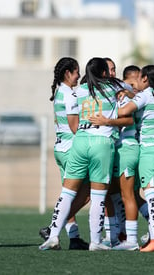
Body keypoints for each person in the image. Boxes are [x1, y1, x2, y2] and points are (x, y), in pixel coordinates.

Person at [39, 57, 126, 251]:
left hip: (79, 142)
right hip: (101, 143)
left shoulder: (77, 91)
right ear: (104, 73)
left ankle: (53, 236)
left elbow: (74, 121)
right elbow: (130, 89)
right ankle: (95, 242)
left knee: (67, 193)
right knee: (97, 196)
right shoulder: (112, 88)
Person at [118, 65, 154, 252]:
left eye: (139, 78)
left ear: (144, 79)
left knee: (150, 194)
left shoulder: (145, 94)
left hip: (151, 150)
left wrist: (122, 99)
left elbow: (123, 112)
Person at [38, 57, 90, 250]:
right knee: (85, 194)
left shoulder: (60, 90)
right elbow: (75, 126)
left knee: (70, 194)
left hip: (61, 148)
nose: (78, 76)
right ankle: (53, 228)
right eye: (76, 72)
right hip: (70, 150)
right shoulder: (69, 94)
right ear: (68, 73)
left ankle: (74, 237)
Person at [89, 65, 141, 250]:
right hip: (118, 149)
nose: (111, 73)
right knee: (111, 193)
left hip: (127, 148)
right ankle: (115, 235)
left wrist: (107, 119)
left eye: (114, 69)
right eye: (109, 69)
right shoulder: (113, 94)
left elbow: (128, 118)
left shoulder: (125, 95)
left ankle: (133, 240)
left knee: (129, 195)